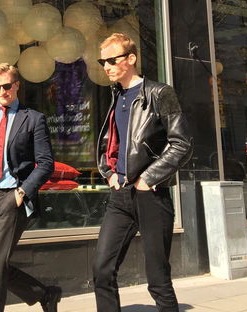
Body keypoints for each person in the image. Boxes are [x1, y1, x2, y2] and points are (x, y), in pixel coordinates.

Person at [93, 33, 192, 312]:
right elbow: (109, 143)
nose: (106, 67)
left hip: (151, 195)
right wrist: (109, 173)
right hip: (120, 195)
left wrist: (148, 178)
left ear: (131, 59)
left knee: (157, 278)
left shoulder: (162, 93)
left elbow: (182, 143)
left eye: (112, 60)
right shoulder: (115, 96)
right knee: (102, 270)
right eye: (103, 62)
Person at [0, 63, 61, 312]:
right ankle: (45, 294)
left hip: (13, 198)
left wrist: (21, 193)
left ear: (17, 85)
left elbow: (46, 164)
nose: (2, 91)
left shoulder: (33, 119)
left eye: (7, 86)